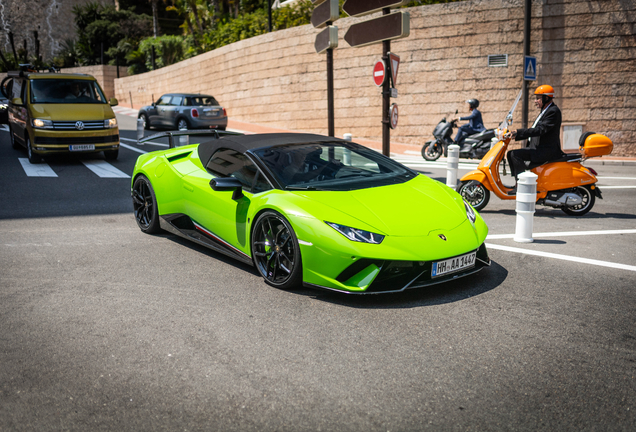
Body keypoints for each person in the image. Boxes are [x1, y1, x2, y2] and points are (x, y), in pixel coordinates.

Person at [505, 85, 564, 194]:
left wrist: (518, 132)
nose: (535, 101)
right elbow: (534, 130)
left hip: (546, 151)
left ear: (546, 98)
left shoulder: (553, 111)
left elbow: (540, 130)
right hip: (539, 148)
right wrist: (515, 135)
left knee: (515, 155)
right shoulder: (545, 111)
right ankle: (519, 183)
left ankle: (521, 185)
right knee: (510, 154)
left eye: (538, 98)